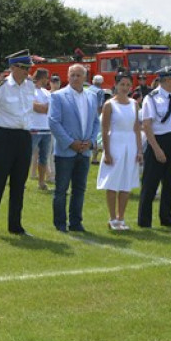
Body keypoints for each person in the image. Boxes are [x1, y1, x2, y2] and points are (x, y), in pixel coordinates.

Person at [0, 53, 35, 238]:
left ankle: (15, 225)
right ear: (13, 67)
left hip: (24, 136)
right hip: (4, 136)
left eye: (28, 68)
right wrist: (1, 133)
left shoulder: (29, 86)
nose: (27, 72)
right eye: (24, 68)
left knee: (19, 184)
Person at [49, 64, 100, 232]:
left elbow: (95, 122)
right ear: (68, 76)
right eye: (73, 75)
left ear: (85, 77)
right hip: (66, 151)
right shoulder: (58, 96)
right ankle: (60, 223)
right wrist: (71, 142)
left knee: (79, 189)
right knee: (62, 189)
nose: (75, 78)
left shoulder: (91, 97)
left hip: (85, 150)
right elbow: (54, 122)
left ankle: (76, 222)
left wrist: (91, 142)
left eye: (79, 75)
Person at [138, 68, 171, 229]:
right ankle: (145, 221)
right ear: (166, 80)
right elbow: (147, 125)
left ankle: (166, 218)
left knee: (168, 183)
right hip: (157, 141)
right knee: (150, 183)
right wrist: (156, 149)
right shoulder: (151, 98)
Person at [96, 71, 141, 230]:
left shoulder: (134, 104)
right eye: (122, 84)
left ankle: (121, 218)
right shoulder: (109, 104)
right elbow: (105, 128)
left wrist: (139, 150)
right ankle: (112, 218)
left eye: (128, 84)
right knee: (113, 182)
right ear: (116, 85)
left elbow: (136, 128)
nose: (125, 87)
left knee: (126, 183)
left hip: (130, 144)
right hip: (115, 143)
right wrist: (106, 152)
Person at [29, 68, 52, 192]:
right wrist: (44, 107)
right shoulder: (30, 90)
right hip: (33, 128)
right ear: (42, 78)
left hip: (47, 129)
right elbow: (36, 108)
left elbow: (51, 108)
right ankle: (19, 180)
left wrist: (43, 107)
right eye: (46, 78)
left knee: (44, 157)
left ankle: (41, 182)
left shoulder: (47, 92)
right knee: (26, 156)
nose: (47, 80)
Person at [87, 74, 105, 164]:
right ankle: (94, 158)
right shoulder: (100, 91)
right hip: (96, 116)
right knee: (96, 136)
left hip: (87, 116)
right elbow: (100, 106)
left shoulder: (88, 89)